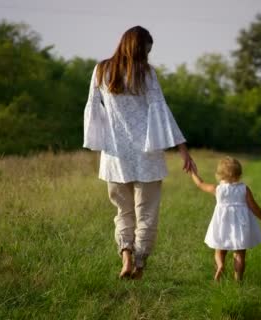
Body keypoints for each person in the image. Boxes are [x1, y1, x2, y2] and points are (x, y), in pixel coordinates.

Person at [83, 26, 195, 280]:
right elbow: (161, 110)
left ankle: (126, 258)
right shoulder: (146, 73)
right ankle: (140, 264)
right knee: (147, 212)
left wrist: (99, 142)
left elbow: (93, 109)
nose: (148, 54)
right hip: (147, 154)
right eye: (147, 49)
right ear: (140, 47)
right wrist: (182, 149)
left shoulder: (101, 70)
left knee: (123, 212)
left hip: (115, 155)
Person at [190, 156, 261, 281]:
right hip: (240, 226)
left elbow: (200, 184)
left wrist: (193, 172)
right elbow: (254, 206)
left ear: (219, 175)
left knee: (219, 250)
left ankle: (220, 265)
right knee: (240, 253)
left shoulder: (218, 189)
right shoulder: (244, 189)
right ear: (239, 174)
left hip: (222, 225)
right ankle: (238, 279)